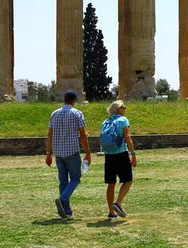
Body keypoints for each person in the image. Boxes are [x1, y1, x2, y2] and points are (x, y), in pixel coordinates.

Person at [46, 90, 91, 218]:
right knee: (76, 178)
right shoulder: (77, 114)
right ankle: (63, 199)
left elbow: (50, 134)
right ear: (74, 101)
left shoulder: (54, 114)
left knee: (63, 181)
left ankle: (66, 210)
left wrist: (48, 153)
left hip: (58, 152)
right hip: (72, 152)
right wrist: (88, 152)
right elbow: (82, 134)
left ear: (64, 99)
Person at [102, 100, 137, 220]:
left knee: (111, 183)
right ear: (118, 109)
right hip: (121, 153)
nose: (125, 108)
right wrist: (133, 154)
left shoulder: (106, 121)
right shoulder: (123, 120)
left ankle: (111, 211)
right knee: (128, 180)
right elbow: (127, 137)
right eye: (123, 107)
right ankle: (118, 203)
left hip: (109, 155)